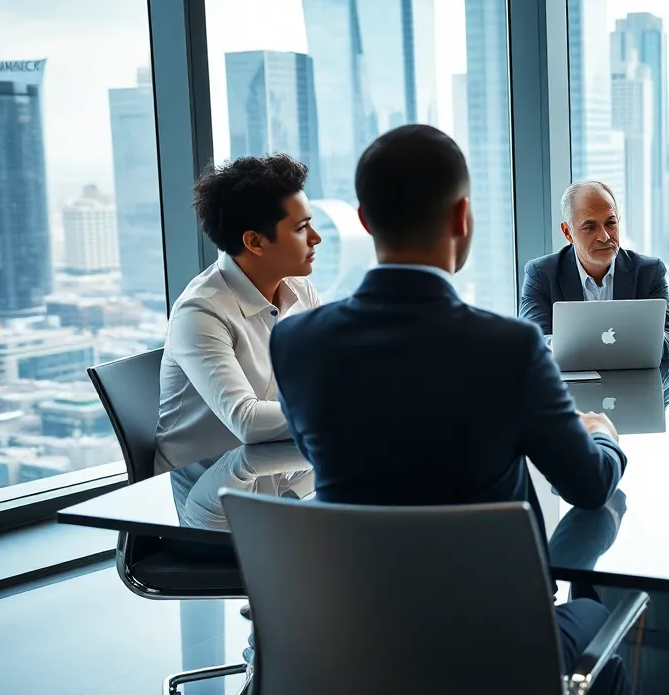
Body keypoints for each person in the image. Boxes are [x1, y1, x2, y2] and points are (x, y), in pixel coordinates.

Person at [269, 125, 631, 695]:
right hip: (497, 644)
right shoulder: (509, 347)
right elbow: (587, 488)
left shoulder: (294, 343)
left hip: (354, 639)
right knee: (610, 622)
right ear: (462, 217)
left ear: (364, 220)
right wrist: (604, 435)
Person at [155, 154, 321, 514]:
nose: (316, 238)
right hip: (210, 505)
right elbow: (246, 420)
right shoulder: (200, 312)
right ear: (255, 242)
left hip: (282, 478)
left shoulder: (299, 291)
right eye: (301, 228)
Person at [519, 180, 669, 360]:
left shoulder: (649, 272)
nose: (604, 237)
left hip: (632, 382)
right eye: (590, 227)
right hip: (569, 385)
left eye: (610, 223)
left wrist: (606, 346)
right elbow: (530, 339)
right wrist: (557, 345)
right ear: (568, 232)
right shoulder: (541, 274)